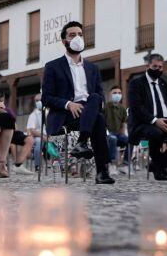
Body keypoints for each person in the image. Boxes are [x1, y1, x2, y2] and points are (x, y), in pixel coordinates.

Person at [41, 21, 114, 184]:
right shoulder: (53, 66)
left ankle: (82, 142)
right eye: (72, 35)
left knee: (95, 99)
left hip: (88, 110)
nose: (77, 38)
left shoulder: (93, 68)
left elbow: (100, 95)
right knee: (99, 120)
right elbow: (46, 97)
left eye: (80, 34)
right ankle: (102, 171)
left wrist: (91, 105)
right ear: (64, 41)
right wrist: (69, 104)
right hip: (65, 115)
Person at [104, 85, 129, 169]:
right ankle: (112, 164)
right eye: (114, 93)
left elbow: (124, 122)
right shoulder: (106, 107)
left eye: (119, 93)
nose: (117, 95)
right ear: (110, 94)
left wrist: (123, 133)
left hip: (118, 133)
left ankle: (125, 164)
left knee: (130, 140)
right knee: (113, 138)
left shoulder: (122, 108)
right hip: (108, 134)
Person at [25, 93, 44, 171]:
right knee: (38, 143)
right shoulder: (33, 115)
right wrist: (44, 137)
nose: (38, 102)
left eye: (40, 100)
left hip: (50, 136)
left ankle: (62, 166)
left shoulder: (49, 112)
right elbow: (32, 130)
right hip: (39, 137)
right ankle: (37, 166)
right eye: (36, 101)